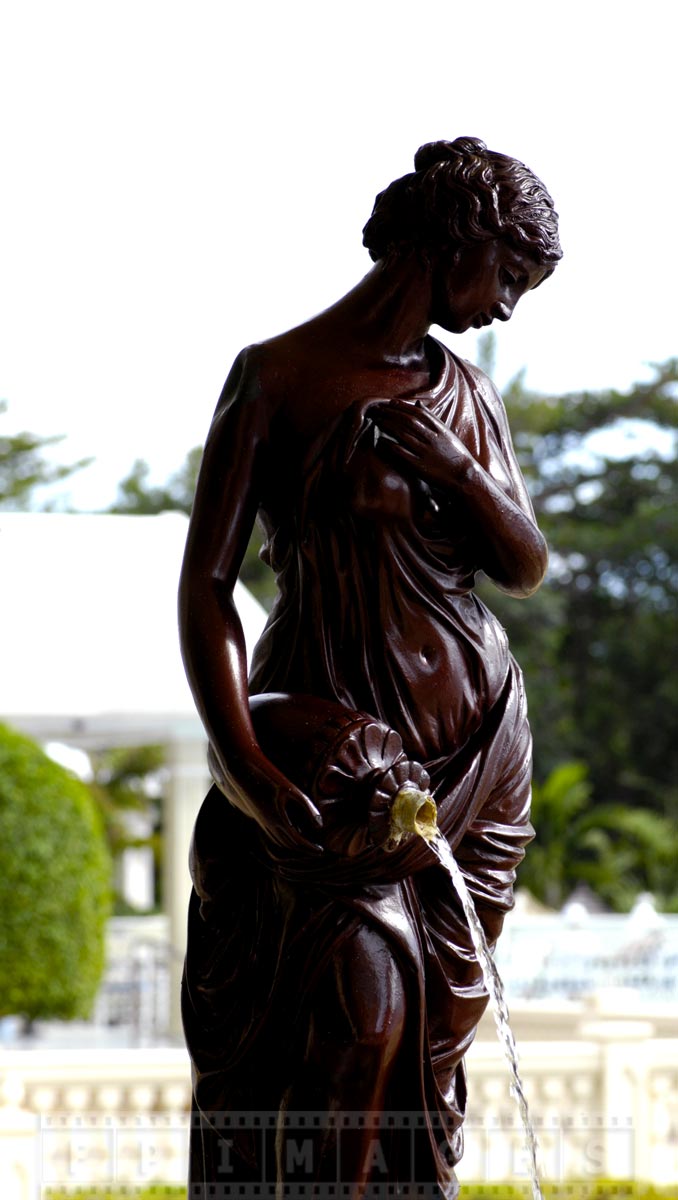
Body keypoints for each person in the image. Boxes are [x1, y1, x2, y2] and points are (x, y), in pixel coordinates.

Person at [179, 136, 562, 1198]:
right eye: (511, 278)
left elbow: (523, 563)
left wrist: (452, 465)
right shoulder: (277, 377)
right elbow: (206, 589)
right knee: (355, 1025)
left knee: (430, 1048)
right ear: (460, 241)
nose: (508, 308)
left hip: (480, 755)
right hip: (336, 761)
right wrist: (247, 765)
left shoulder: (466, 396)